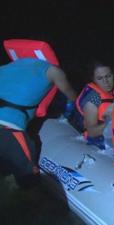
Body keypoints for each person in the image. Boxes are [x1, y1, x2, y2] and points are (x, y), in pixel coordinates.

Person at [0, 58, 76, 188]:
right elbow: (74, 97)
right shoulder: (54, 71)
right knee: (29, 180)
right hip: (9, 130)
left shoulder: (10, 65)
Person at [74, 60, 114, 150]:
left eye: (108, 76)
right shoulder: (93, 99)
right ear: (93, 79)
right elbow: (92, 132)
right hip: (98, 140)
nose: (106, 82)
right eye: (100, 78)